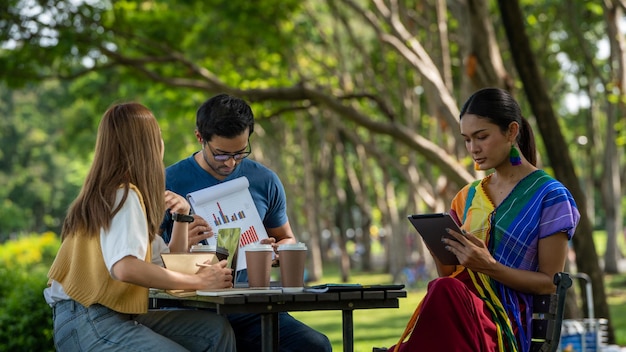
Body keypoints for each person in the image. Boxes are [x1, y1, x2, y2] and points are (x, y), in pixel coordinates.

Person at [388, 88, 580, 352]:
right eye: (467, 139)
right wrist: (436, 248)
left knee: (446, 291)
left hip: (506, 326)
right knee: (445, 288)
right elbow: (450, 274)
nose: (473, 148)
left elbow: (549, 283)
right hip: (461, 315)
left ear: (511, 132)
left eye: (481, 137)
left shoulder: (550, 196)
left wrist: (489, 266)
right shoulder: (466, 198)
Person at [44, 102, 236, 351]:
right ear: (148, 145)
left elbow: (166, 265)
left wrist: (182, 216)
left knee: (214, 332)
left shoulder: (115, 195)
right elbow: (125, 268)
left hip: (99, 317)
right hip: (90, 320)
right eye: (159, 136)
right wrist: (199, 281)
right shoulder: (124, 195)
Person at [161, 93, 332, 352]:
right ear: (200, 138)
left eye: (240, 153)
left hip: (250, 306)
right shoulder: (168, 182)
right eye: (221, 154)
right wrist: (180, 242)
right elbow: (144, 255)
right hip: (189, 308)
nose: (230, 162)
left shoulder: (265, 180)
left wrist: (275, 251)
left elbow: (287, 237)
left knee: (315, 345)